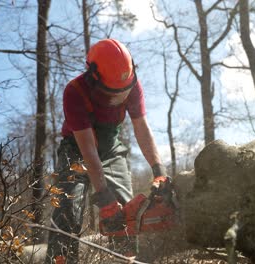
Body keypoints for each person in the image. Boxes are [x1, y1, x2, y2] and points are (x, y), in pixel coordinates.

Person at [45, 39, 170, 263]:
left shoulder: (132, 85)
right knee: (68, 206)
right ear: (94, 78)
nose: (120, 98)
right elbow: (88, 150)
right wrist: (103, 197)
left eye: (124, 92)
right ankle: (60, 258)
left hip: (111, 148)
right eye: (112, 93)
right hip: (76, 149)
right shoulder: (74, 92)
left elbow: (141, 127)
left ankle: (127, 258)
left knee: (126, 210)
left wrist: (158, 170)